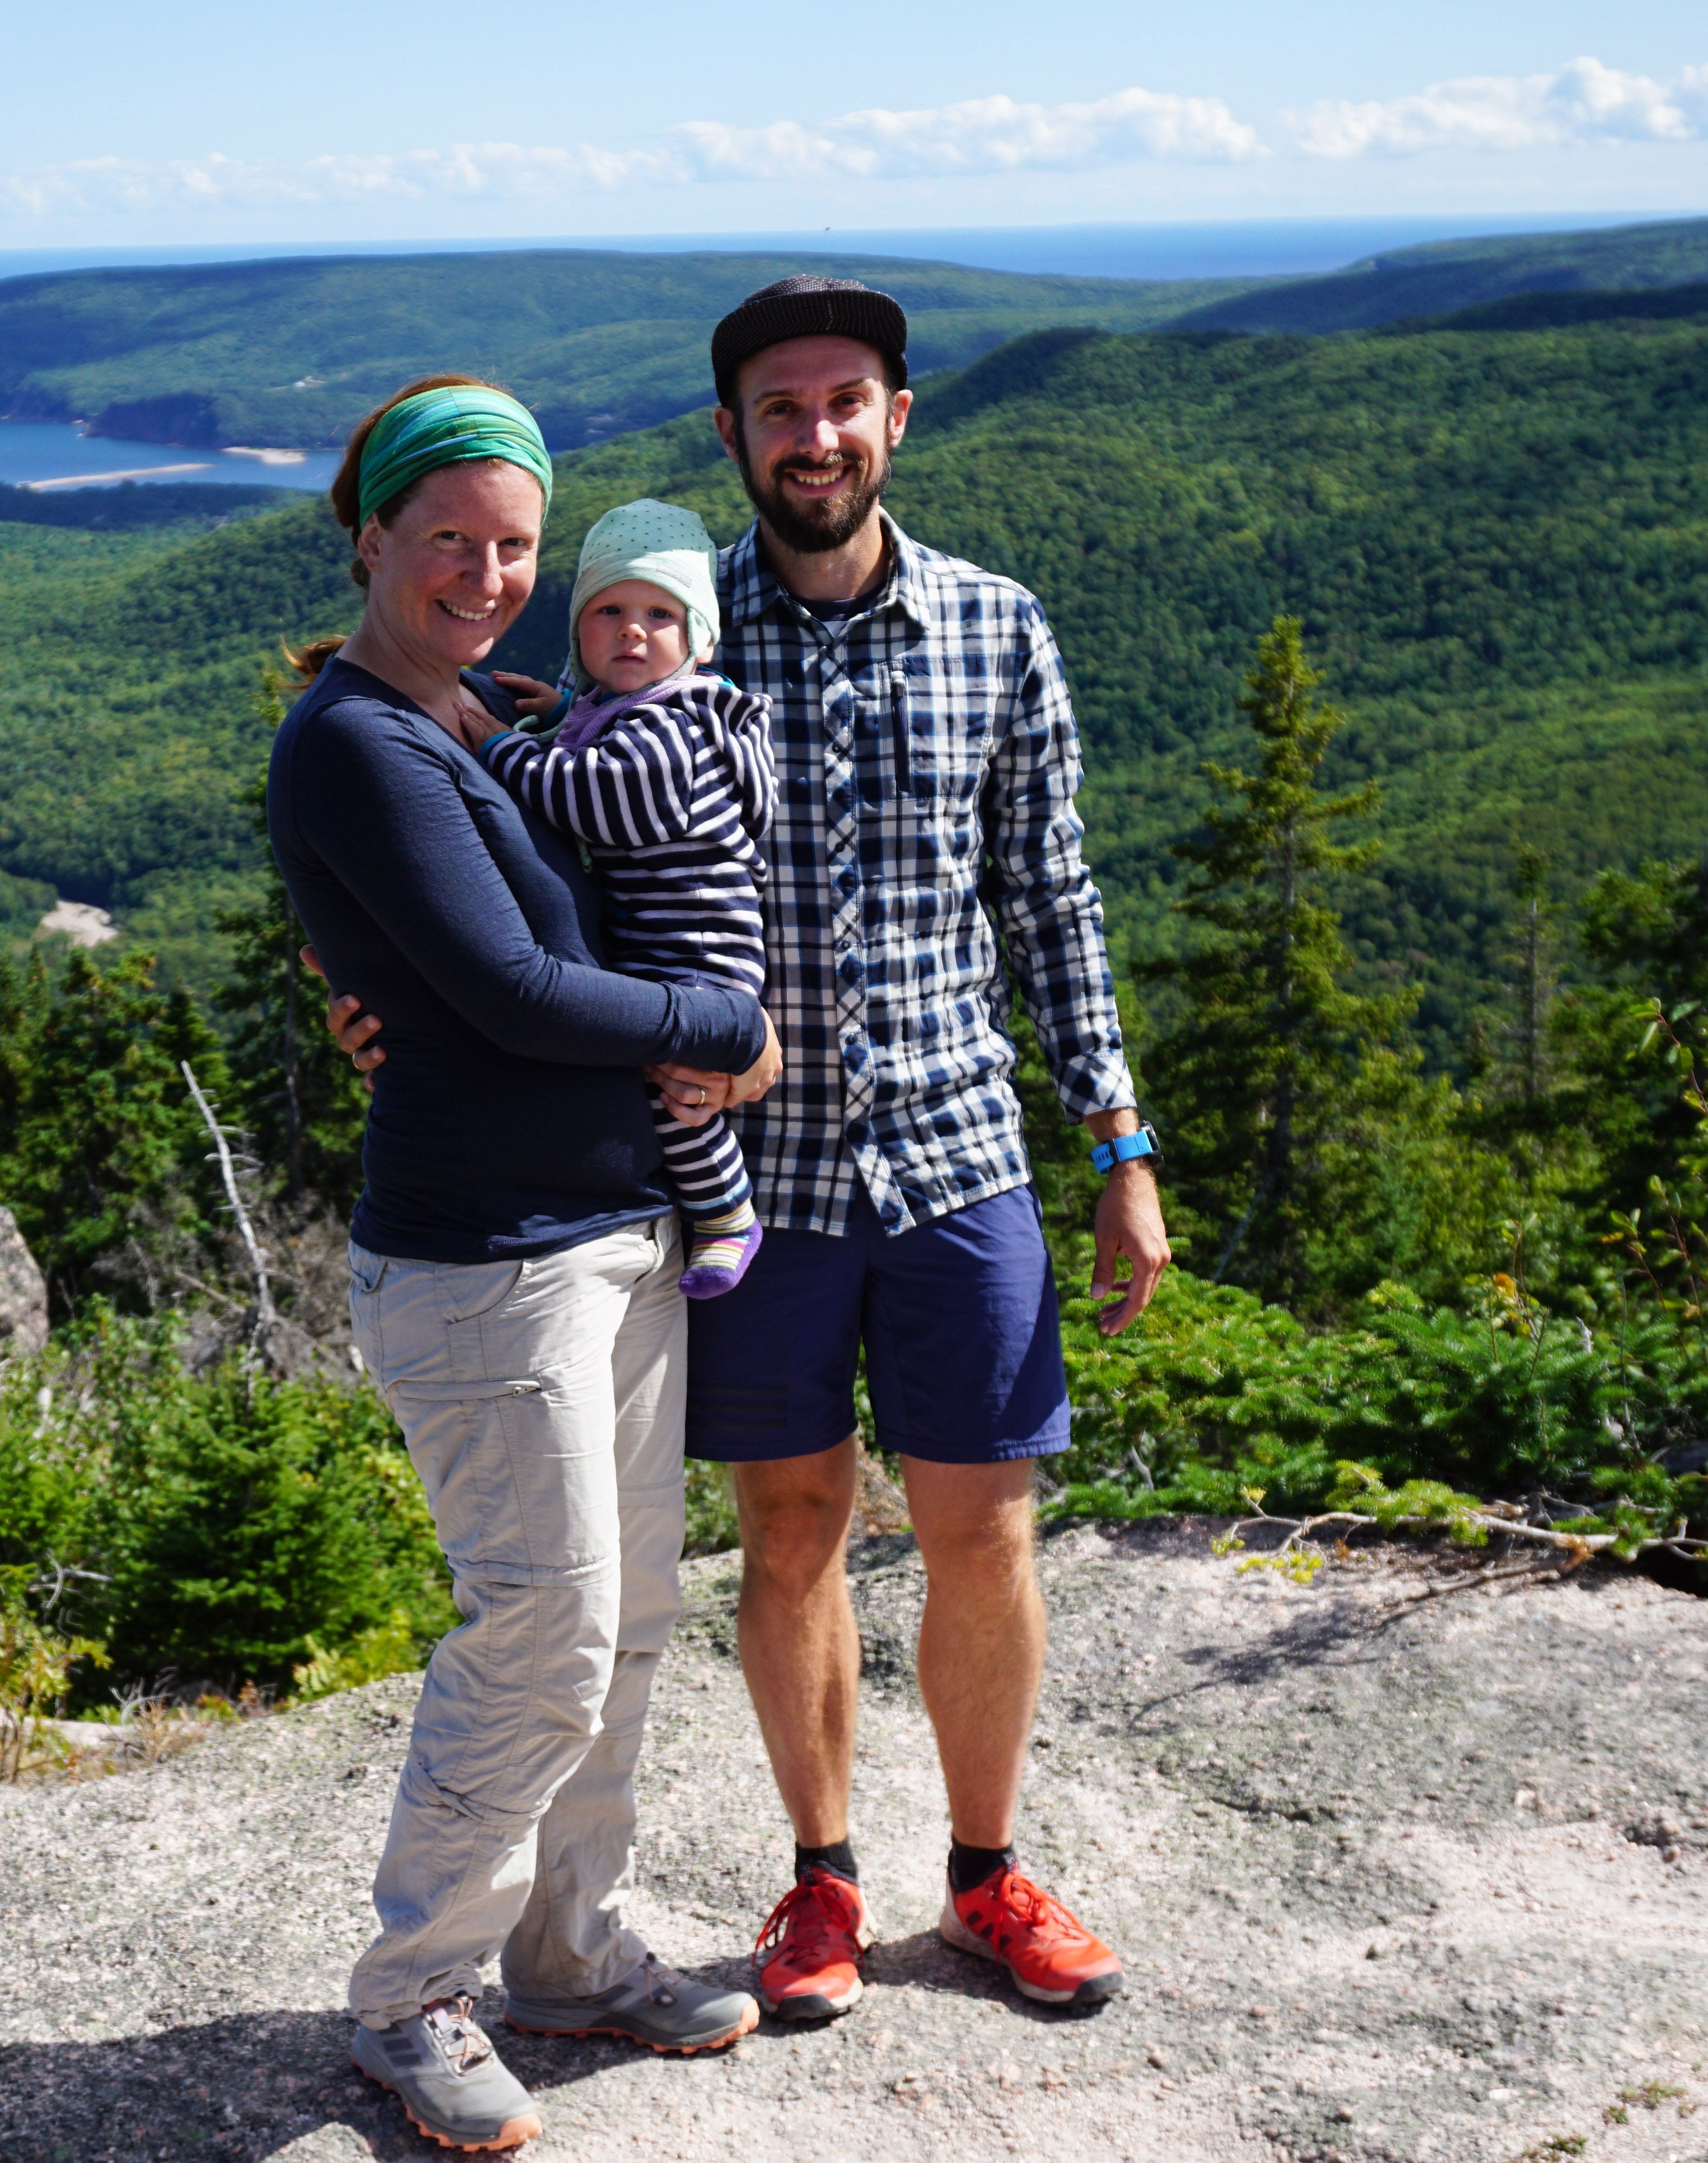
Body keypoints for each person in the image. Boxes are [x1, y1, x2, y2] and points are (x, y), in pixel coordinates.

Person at [320, 283, 1173, 2026]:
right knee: (789, 1528)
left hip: (957, 1149)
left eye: (847, 401)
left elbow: (1054, 896)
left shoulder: (1001, 631)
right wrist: (356, 983)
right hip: (742, 1174)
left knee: (984, 1525)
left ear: (900, 418)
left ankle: (990, 1871)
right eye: (781, 409)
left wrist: (1119, 1139)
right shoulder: (667, 642)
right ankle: (823, 1882)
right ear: (732, 436)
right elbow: (468, 824)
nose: (817, 435)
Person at [267, 375, 772, 2153]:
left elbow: (492, 954)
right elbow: (509, 993)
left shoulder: (487, 716)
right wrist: (737, 1025)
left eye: (512, 548)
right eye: (449, 542)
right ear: (372, 540)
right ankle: (416, 1995)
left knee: (623, 1624)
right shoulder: (357, 738)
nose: (483, 573)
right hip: (488, 1268)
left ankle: (564, 1945)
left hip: (619, 1238)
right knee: (546, 1629)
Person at [478, 498, 778, 1300]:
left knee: (674, 1086)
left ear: (699, 642)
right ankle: (709, 1207)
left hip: (695, 953)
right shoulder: (638, 712)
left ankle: (725, 1215)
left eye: (659, 614)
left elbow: (600, 802)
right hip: (681, 942)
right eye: (608, 610)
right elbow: (601, 727)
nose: (632, 630)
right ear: (580, 633)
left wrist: (504, 751)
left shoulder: (671, 726)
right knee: (663, 1079)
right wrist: (560, 713)